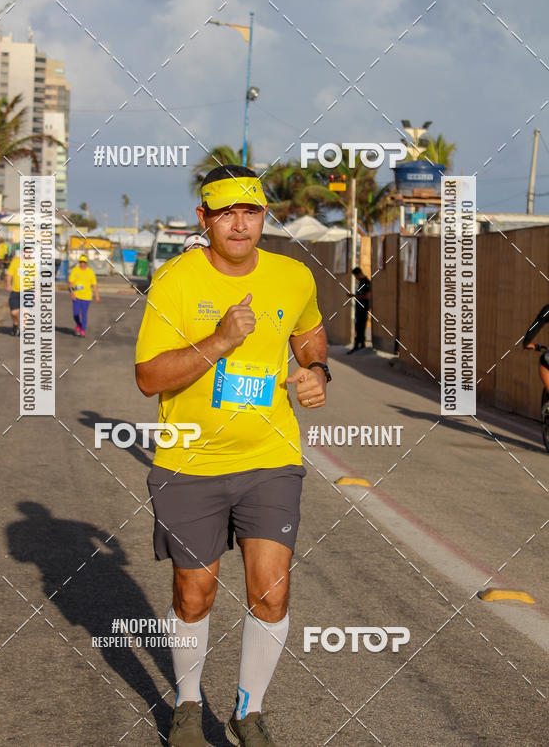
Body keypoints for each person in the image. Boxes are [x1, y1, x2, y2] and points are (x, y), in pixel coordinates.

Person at [135, 164, 331, 747]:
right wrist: (219, 341)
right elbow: (148, 377)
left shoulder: (293, 276)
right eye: (225, 212)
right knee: (194, 594)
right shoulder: (175, 281)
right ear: (205, 219)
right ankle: (189, 705)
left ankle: (249, 711)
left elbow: (309, 334)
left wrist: (316, 371)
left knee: (271, 590)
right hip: (190, 463)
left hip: (270, 457)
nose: (239, 223)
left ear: (263, 216)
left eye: (249, 211)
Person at [68, 254, 99, 337]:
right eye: (81, 262)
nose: (82, 263)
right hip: (76, 296)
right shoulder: (75, 270)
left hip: (87, 296)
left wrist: (96, 295)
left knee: (84, 314)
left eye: (84, 262)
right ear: (79, 262)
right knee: (75, 314)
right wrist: (72, 293)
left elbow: (94, 284)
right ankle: (79, 324)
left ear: (86, 263)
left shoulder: (90, 271)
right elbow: (71, 283)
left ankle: (82, 330)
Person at [347, 266, 371, 353]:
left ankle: (358, 345)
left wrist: (354, 296)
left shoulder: (366, 282)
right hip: (359, 307)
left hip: (363, 308)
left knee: (361, 326)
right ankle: (361, 344)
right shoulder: (361, 282)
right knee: (358, 327)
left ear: (359, 274)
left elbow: (367, 296)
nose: (356, 278)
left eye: (356, 276)